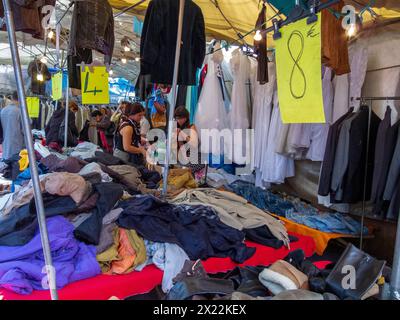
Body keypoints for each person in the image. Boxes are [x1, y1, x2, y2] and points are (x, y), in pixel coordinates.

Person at [174, 105, 204, 174]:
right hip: (185, 156)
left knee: (186, 168)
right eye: (177, 118)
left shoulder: (191, 127)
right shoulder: (178, 128)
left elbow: (194, 144)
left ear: (185, 118)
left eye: (180, 118)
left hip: (194, 156)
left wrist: (182, 134)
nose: (178, 120)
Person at [0, 91, 25, 161]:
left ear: (12, 98)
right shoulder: (21, 112)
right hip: (17, 150)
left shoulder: (3, 111)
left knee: (6, 168)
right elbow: (25, 131)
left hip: (5, 148)